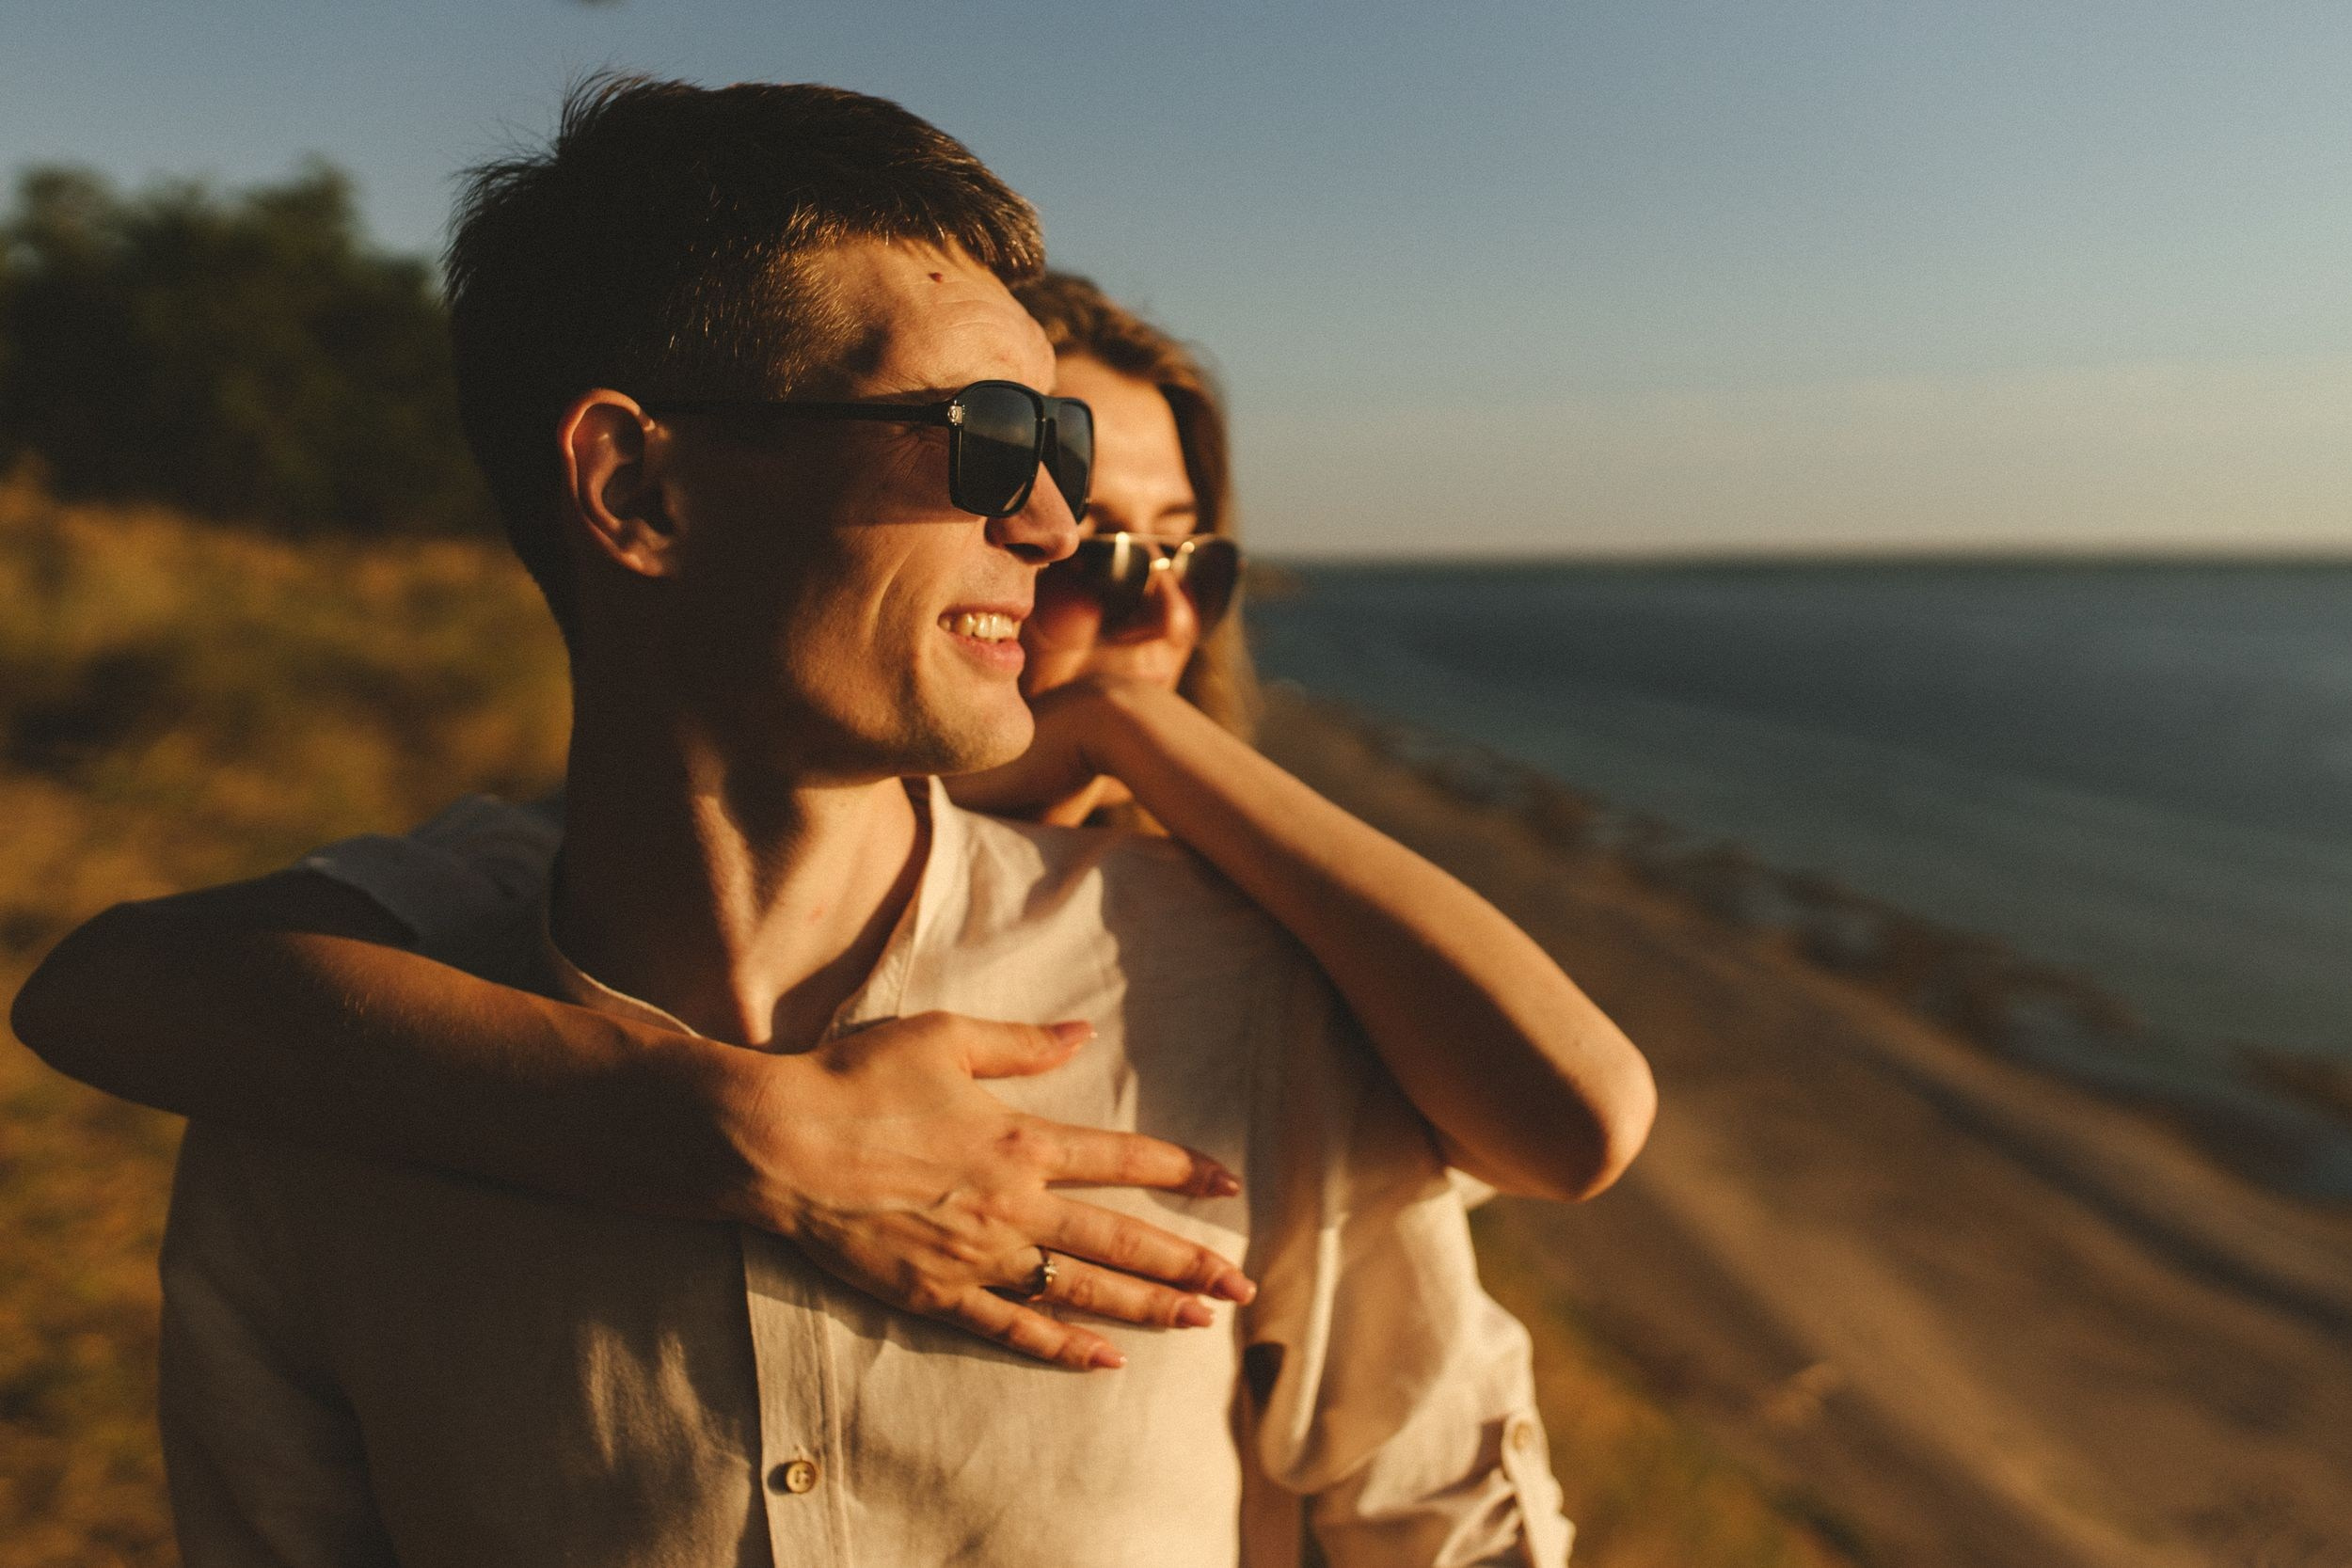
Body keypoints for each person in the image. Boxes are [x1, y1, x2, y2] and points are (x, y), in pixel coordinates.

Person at [24, 75, 1618, 1566]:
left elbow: (1454, 1508)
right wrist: (737, 1129)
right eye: (990, 441)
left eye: (1060, 450)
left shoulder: (1224, 990)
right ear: (638, 491)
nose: (1055, 527)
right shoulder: (335, 1086)